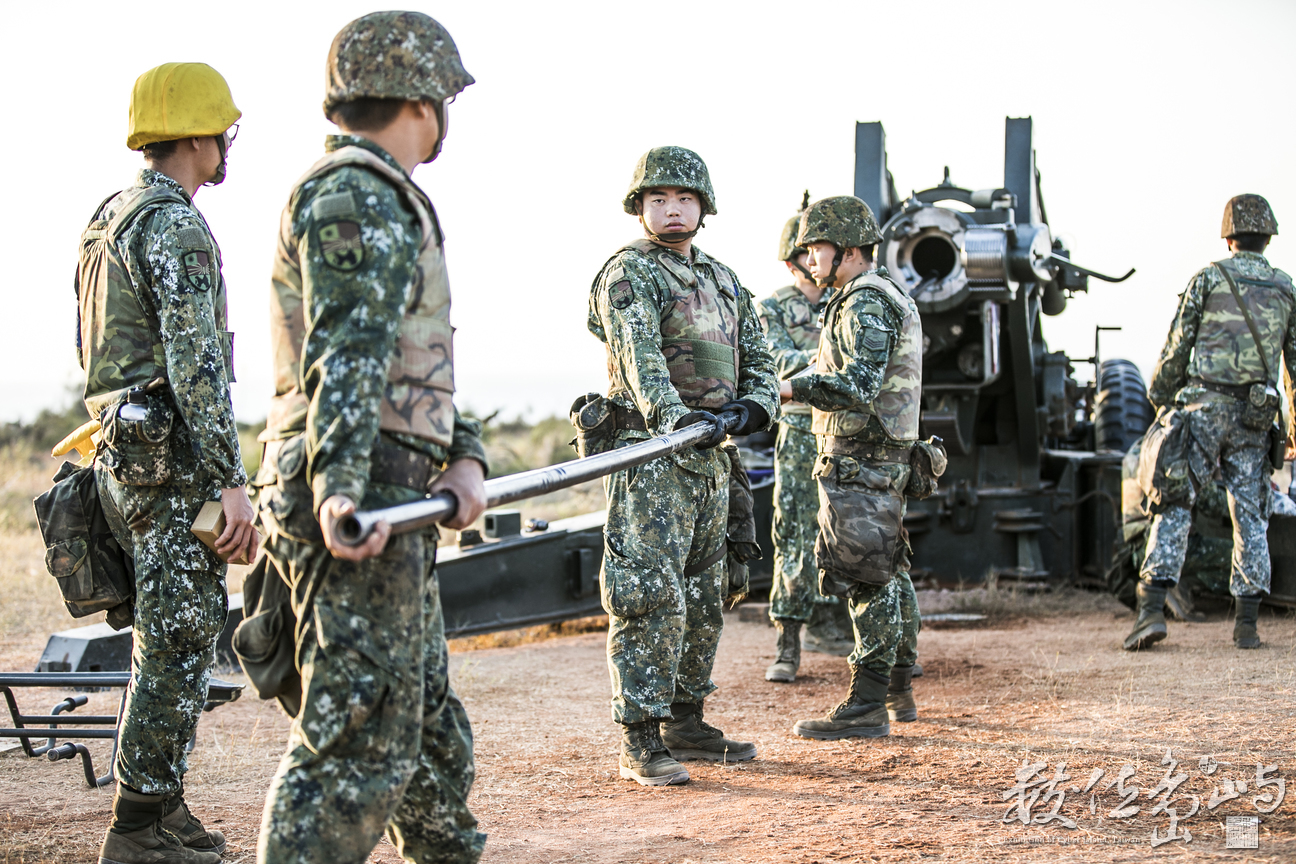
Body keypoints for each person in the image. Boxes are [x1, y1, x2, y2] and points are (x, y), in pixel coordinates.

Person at [253, 12, 488, 863]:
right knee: (355, 743)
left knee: (424, 730)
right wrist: (339, 492)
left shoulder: (383, 191)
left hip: (399, 487)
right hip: (360, 493)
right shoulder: (353, 192)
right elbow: (346, 354)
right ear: (424, 100)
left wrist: (465, 456)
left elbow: (408, 359)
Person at [76, 62, 256, 864]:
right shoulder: (175, 226)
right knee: (179, 638)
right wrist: (229, 478)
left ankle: (163, 805)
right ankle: (139, 827)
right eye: (224, 131)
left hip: (120, 453)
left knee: (171, 634)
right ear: (196, 134)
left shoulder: (110, 216)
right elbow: (196, 366)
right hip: (170, 466)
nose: (229, 144)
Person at [588, 146, 779, 785]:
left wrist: (749, 410)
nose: (673, 210)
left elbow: (760, 361)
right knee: (649, 594)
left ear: (704, 208)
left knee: (706, 591)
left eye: (685, 200)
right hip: (651, 458)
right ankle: (640, 738)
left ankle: (686, 718)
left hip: (712, 459)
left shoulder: (726, 281)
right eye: (659, 200)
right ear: (640, 207)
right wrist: (676, 422)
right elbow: (641, 358)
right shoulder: (628, 272)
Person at [778, 196, 925, 740]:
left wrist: (791, 388)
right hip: (876, 459)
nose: (808, 256)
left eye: (816, 247)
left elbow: (857, 387)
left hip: (864, 459)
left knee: (869, 579)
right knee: (891, 571)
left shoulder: (864, 300)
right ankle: (897, 690)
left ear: (847, 249)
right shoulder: (874, 295)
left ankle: (866, 705)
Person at [1129, 194, 1293, 651]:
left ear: (1228, 236)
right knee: (1251, 515)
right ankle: (1246, 626)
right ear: (1268, 237)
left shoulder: (1208, 278)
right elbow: (1295, 368)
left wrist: (1161, 401)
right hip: (1256, 417)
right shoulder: (1286, 288)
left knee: (1175, 503)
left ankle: (1149, 611)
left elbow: (1177, 347)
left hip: (1202, 409)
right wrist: (1294, 430)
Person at [758, 196, 851, 683]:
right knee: (792, 531)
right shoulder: (771, 307)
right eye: (809, 252)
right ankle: (787, 641)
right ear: (795, 258)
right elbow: (775, 361)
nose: (816, 262)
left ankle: (843, 629)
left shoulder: (846, 302)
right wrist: (829, 368)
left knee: (845, 530)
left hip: (841, 430)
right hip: (797, 430)